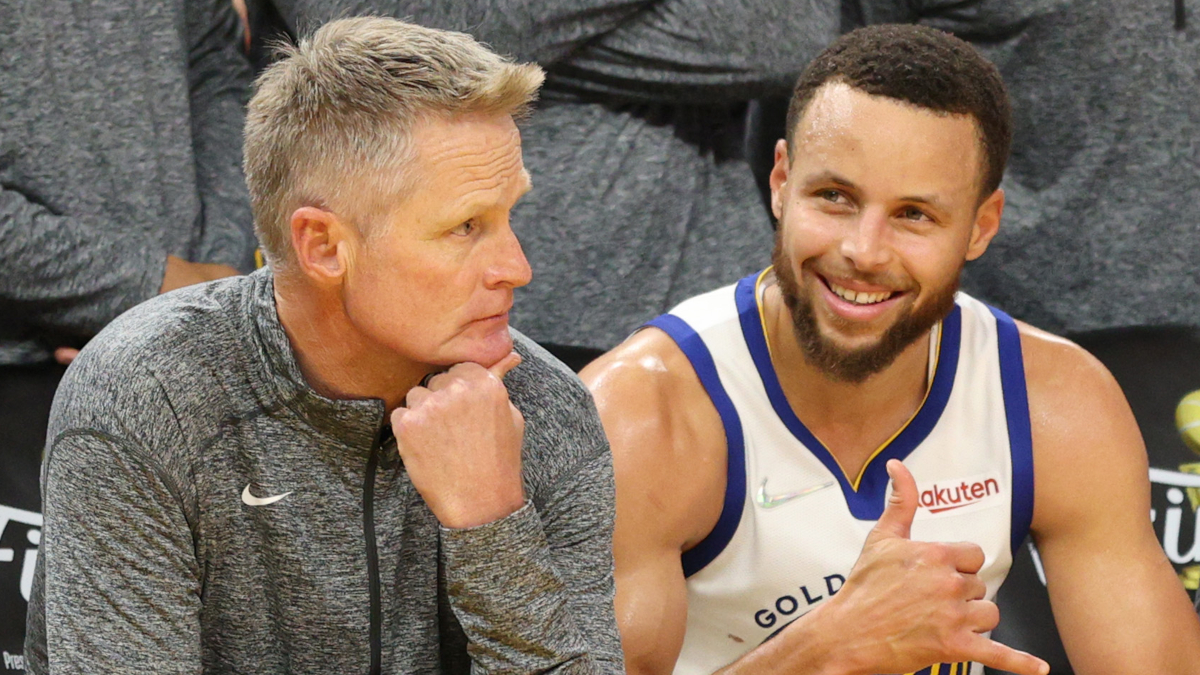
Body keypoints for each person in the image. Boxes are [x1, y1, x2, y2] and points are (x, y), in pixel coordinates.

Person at [582, 24, 1200, 675]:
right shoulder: (639, 416)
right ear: (781, 181)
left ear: (981, 226)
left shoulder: (1055, 402)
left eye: (914, 214)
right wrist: (822, 651)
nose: (865, 251)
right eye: (835, 197)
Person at [26, 17, 623, 674]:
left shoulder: (546, 408)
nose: (517, 266)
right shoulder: (150, 396)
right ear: (323, 246)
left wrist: (491, 521)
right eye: (465, 227)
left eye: (510, 215)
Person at [259, 0, 843, 370]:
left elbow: (784, 35)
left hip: (705, 285)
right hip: (466, 309)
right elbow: (367, 35)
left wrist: (530, 48)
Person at [0, 0, 256, 663]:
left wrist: (207, 283)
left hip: (190, 365)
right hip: (20, 378)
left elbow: (216, 63)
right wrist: (149, 285)